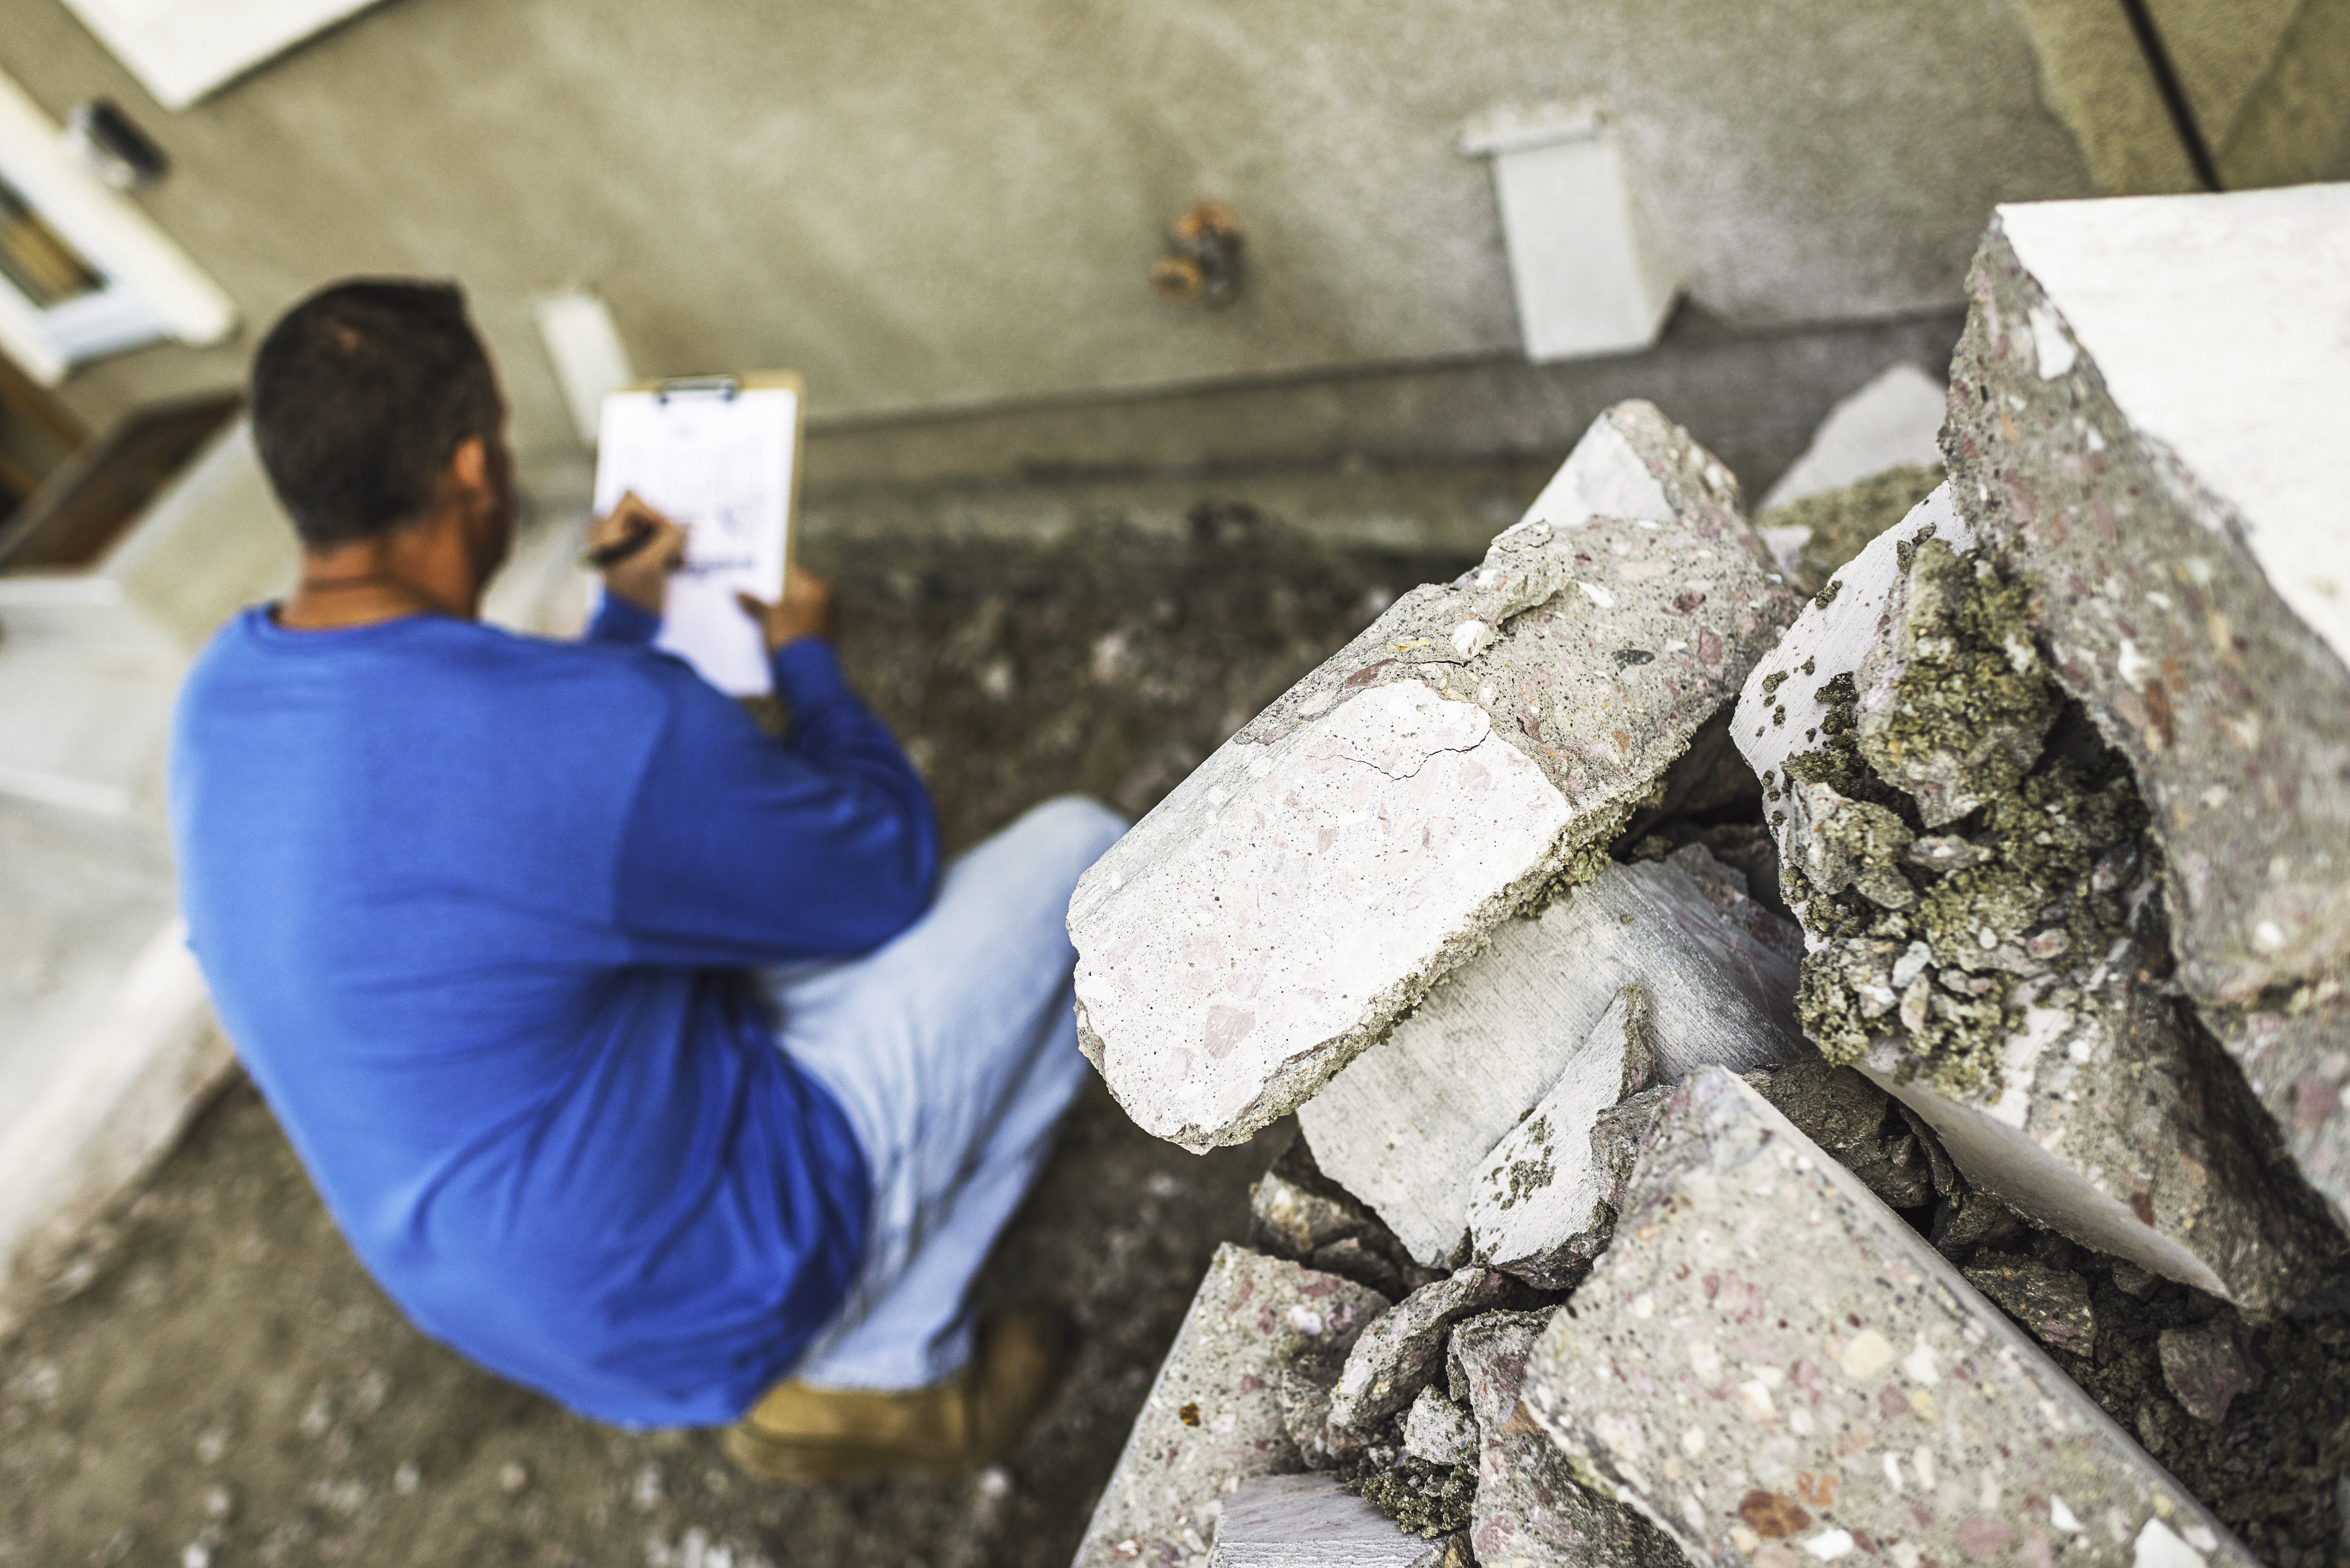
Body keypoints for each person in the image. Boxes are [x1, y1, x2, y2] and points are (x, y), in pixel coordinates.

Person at [169, 278, 1124, 1483]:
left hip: (515, 1297)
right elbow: (883, 868)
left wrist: (624, 626)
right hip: (694, 1282)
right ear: (475, 466)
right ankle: (879, 1358)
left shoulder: (222, 696)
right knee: (1084, 861)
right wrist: (810, 659)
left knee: (726, 895)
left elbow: (496, 805)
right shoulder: (588, 740)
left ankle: (846, 1329)